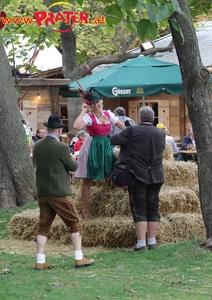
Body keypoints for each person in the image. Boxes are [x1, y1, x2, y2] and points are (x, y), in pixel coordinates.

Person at [33, 114, 94, 270]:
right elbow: (73, 167)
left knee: (43, 226)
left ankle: (40, 260)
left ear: (48, 128)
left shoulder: (37, 146)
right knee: (74, 223)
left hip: (42, 191)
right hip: (59, 192)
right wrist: (73, 157)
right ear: (60, 130)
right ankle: (79, 258)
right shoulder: (61, 147)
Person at [110, 106, 165, 251]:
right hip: (157, 174)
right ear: (153, 119)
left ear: (139, 118)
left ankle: (141, 244)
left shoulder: (131, 131)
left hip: (137, 174)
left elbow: (113, 139)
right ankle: (152, 242)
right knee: (153, 207)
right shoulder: (161, 133)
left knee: (139, 208)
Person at [73, 90, 125, 219]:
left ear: (101, 101)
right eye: (92, 103)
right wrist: (83, 110)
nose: (95, 105)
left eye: (97, 102)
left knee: (122, 155)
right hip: (93, 147)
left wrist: (135, 133)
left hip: (107, 144)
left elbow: (123, 126)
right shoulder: (88, 117)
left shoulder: (108, 114)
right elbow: (76, 126)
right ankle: (85, 210)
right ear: (89, 104)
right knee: (88, 180)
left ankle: (126, 184)